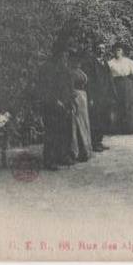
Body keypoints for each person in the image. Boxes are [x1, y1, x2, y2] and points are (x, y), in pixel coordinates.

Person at [37, 39, 77, 170]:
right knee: (52, 132)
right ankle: (50, 160)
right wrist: (55, 101)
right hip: (52, 105)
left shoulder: (65, 68)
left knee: (65, 131)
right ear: (57, 53)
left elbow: (70, 86)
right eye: (64, 53)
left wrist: (71, 100)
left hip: (65, 104)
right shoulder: (47, 68)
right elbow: (44, 88)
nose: (66, 56)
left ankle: (62, 155)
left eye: (67, 53)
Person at [82, 42, 115, 151]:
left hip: (105, 96)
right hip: (96, 96)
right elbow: (89, 82)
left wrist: (112, 94)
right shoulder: (91, 63)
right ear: (95, 49)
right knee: (95, 119)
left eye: (103, 48)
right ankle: (94, 143)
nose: (101, 50)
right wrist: (90, 97)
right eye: (99, 48)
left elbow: (110, 79)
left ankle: (99, 141)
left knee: (104, 118)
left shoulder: (105, 63)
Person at [107, 43, 133, 133]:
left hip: (127, 83)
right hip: (115, 84)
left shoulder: (128, 62)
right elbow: (108, 76)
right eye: (116, 50)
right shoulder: (110, 63)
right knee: (118, 105)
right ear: (113, 51)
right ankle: (118, 128)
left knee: (128, 104)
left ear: (122, 51)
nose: (117, 52)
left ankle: (130, 128)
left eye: (119, 50)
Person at [68, 53, 93, 162]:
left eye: (79, 61)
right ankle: (76, 151)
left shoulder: (81, 72)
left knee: (84, 123)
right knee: (76, 124)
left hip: (83, 98)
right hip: (76, 97)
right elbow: (70, 87)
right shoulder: (70, 73)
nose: (78, 63)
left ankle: (86, 150)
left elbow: (87, 85)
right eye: (76, 61)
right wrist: (73, 99)